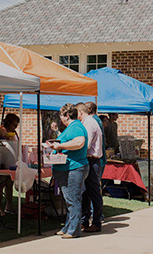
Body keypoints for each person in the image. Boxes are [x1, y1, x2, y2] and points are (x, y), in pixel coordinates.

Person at [51, 103, 89, 239]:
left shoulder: (76, 127)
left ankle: (74, 230)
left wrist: (60, 145)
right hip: (67, 168)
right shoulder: (71, 127)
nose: (60, 118)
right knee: (69, 200)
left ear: (67, 115)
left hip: (73, 168)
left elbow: (79, 142)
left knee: (73, 200)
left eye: (61, 115)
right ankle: (68, 226)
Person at [77, 102, 104, 233]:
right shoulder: (91, 122)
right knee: (86, 192)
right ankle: (85, 220)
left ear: (81, 112)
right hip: (91, 160)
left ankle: (96, 221)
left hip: (92, 160)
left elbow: (85, 144)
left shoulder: (88, 123)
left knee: (92, 192)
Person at [0, 113, 19, 216]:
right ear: (8, 122)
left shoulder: (14, 133)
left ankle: (9, 207)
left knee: (9, 184)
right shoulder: (0, 131)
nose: (15, 127)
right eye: (14, 124)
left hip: (9, 162)